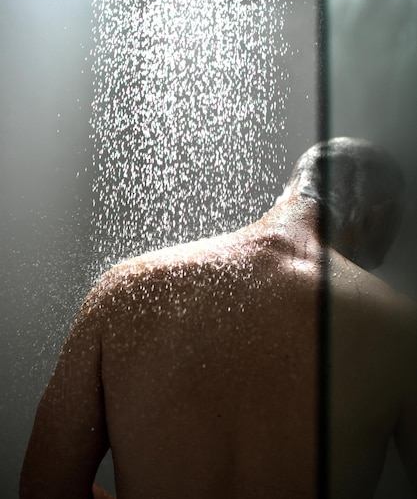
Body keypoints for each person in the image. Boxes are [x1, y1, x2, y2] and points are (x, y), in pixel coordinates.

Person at [20, 137, 417, 499]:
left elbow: (43, 489)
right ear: (376, 219)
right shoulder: (399, 325)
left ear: (290, 191)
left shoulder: (125, 290)